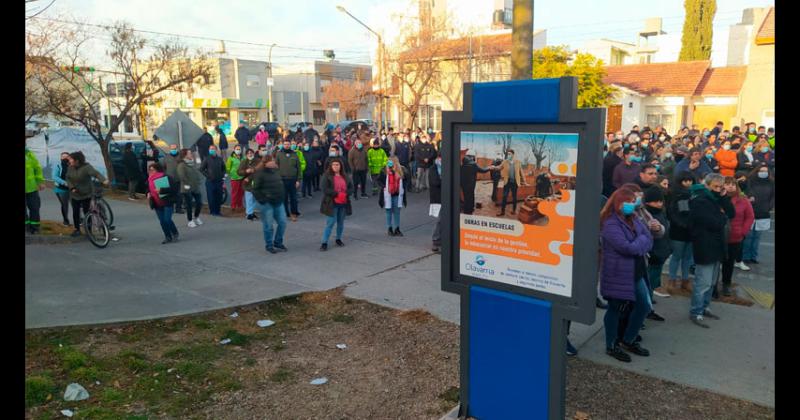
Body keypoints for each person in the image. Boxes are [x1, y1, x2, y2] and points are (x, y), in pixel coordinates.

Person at [600, 188, 654, 362]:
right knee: (615, 308)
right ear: (616, 203)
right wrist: (641, 242)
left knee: (644, 306)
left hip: (635, 271)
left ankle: (628, 339)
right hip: (618, 273)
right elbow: (627, 248)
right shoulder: (610, 223)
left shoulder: (634, 218)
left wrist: (639, 242)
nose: (631, 205)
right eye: (626, 202)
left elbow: (649, 238)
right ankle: (611, 345)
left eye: (632, 202)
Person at [688, 173, 733, 328]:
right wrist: (722, 218)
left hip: (716, 246)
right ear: (707, 185)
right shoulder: (699, 200)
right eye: (715, 187)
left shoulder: (714, 198)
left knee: (712, 282)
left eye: (720, 187)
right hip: (705, 246)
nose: (718, 189)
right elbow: (714, 222)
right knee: (703, 282)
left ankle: (705, 307)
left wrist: (723, 197)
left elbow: (730, 213)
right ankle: (696, 311)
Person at [721, 177, 754, 295]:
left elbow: (750, 217)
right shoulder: (717, 198)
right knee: (714, 263)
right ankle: (712, 286)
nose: (730, 186)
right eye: (727, 184)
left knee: (729, 263)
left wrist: (743, 232)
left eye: (733, 184)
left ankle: (726, 284)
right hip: (718, 236)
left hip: (735, 236)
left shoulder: (743, 200)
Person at [66, 151, 108, 237]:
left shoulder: (87, 167)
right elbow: (68, 178)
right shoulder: (70, 168)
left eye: (71, 159)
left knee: (87, 212)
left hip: (86, 193)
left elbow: (96, 173)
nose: (69, 161)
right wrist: (72, 187)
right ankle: (77, 229)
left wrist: (103, 180)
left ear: (77, 160)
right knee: (75, 212)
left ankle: (89, 231)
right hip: (75, 194)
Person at [251, 155, 288, 254]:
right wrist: (262, 200)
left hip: (278, 201)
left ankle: (278, 242)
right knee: (268, 226)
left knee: (283, 222)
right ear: (266, 163)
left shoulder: (276, 171)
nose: (274, 162)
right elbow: (255, 189)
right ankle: (269, 245)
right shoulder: (260, 173)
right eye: (272, 160)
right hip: (267, 204)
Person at [666, 172, 695, 291]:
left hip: (690, 230)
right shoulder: (679, 195)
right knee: (677, 256)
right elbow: (681, 212)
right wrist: (683, 224)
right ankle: (672, 280)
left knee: (687, 257)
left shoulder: (693, 194)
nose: (688, 183)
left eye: (690, 180)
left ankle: (685, 280)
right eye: (685, 181)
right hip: (679, 230)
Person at [643, 187, 672, 300]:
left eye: (660, 201)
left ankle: (649, 301)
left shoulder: (661, 213)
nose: (659, 204)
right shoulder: (648, 216)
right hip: (654, 254)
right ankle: (647, 305)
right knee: (649, 282)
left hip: (661, 253)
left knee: (653, 281)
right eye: (655, 202)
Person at [742, 164, 774, 264]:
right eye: (761, 170)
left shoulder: (771, 183)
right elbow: (747, 191)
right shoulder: (750, 181)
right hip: (751, 210)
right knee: (749, 235)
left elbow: (773, 197)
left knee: (757, 236)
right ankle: (745, 256)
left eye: (765, 171)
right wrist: (750, 198)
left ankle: (754, 256)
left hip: (763, 212)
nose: (763, 173)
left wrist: (769, 207)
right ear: (757, 171)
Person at [319, 158, 353, 251]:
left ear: (341, 166)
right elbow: (324, 188)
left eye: (337, 165)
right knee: (330, 222)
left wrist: (346, 194)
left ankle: (338, 238)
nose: (335, 166)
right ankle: (324, 242)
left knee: (341, 222)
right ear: (331, 166)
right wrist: (336, 194)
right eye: (334, 165)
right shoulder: (327, 176)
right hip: (331, 203)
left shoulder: (345, 176)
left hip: (343, 202)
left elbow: (351, 187)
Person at [146, 162, 180, 244]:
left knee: (167, 219)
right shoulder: (149, 179)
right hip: (156, 202)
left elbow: (174, 189)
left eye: (152, 170)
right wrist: (148, 193)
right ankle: (167, 236)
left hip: (167, 201)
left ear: (157, 169)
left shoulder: (165, 177)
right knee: (162, 221)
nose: (151, 172)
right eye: (149, 170)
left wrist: (161, 190)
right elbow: (148, 188)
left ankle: (175, 233)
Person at [379, 157, 408, 237]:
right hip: (388, 193)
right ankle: (389, 228)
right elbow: (379, 180)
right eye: (389, 162)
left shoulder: (402, 170)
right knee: (388, 211)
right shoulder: (384, 170)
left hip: (397, 194)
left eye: (392, 162)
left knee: (397, 212)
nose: (390, 164)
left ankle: (397, 228)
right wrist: (384, 186)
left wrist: (397, 173)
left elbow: (406, 179)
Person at [275, 139, 302, 221]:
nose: (287, 145)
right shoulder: (279, 154)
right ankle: (285, 213)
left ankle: (294, 213)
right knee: (284, 198)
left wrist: (298, 180)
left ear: (290, 145)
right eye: (285, 144)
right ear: (283, 145)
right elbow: (276, 167)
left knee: (294, 198)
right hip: (282, 179)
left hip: (293, 180)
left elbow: (299, 168)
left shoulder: (295, 154)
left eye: (288, 144)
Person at [495, 149, 527, 216]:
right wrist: (493, 167)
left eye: (510, 154)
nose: (508, 155)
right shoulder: (505, 162)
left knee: (514, 197)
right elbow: (499, 167)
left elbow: (521, 172)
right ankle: (502, 212)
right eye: (508, 154)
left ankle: (514, 210)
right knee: (504, 196)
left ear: (513, 154)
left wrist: (524, 181)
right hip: (507, 181)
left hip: (515, 182)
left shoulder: (518, 162)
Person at [176, 149, 204, 228]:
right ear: (185, 155)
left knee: (199, 202)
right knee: (189, 204)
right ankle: (190, 220)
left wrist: (198, 180)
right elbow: (182, 176)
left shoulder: (192, 163)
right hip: (187, 188)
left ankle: (196, 216)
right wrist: (187, 184)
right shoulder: (182, 165)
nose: (191, 154)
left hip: (195, 187)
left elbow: (196, 173)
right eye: (189, 153)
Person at [199, 145, 226, 216]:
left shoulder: (220, 159)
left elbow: (224, 168)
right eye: (210, 149)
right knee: (211, 197)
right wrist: (208, 176)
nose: (212, 150)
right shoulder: (207, 159)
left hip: (219, 181)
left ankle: (218, 211)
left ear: (216, 150)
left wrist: (222, 175)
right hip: (210, 182)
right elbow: (201, 169)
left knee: (219, 197)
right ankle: (212, 211)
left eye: (213, 149)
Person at [25, 145, 46, 234]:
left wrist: (40, 182)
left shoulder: (30, 155)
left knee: (35, 207)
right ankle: (26, 227)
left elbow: (38, 169)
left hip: (32, 188)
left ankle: (35, 227)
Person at [237, 148, 261, 221]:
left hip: (256, 182)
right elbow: (239, 172)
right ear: (246, 155)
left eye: (251, 153)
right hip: (247, 184)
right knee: (249, 199)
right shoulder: (244, 161)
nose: (250, 154)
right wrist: (246, 171)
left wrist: (251, 176)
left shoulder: (257, 161)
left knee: (256, 199)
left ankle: (251, 212)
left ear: (253, 154)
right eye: (248, 153)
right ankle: (249, 214)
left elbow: (259, 171)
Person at [162, 143, 185, 214]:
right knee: (170, 195)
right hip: (169, 179)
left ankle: (178, 208)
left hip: (179, 179)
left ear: (177, 149)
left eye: (174, 149)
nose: (173, 150)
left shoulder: (181, 157)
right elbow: (164, 167)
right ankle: (170, 208)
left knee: (179, 195)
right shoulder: (166, 157)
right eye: (172, 149)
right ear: (170, 149)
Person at [52, 152, 72, 225]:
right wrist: (64, 182)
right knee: (65, 205)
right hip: (61, 189)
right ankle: (66, 221)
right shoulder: (58, 165)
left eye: (67, 157)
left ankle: (79, 220)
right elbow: (54, 177)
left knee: (76, 204)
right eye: (63, 157)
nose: (65, 158)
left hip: (72, 189)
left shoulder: (72, 165)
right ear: (60, 158)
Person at [226, 145, 245, 212]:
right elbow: (228, 168)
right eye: (237, 149)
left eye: (239, 149)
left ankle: (240, 205)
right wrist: (232, 173)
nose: (238, 150)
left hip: (242, 177)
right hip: (235, 178)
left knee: (241, 193)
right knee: (235, 193)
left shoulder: (243, 158)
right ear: (234, 150)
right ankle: (233, 206)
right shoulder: (230, 158)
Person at [430, 155, 443, 253]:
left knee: (443, 219)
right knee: (440, 219)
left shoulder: (444, 167)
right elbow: (435, 182)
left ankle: (440, 238)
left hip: (444, 196)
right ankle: (435, 240)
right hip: (437, 197)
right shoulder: (434, 168)